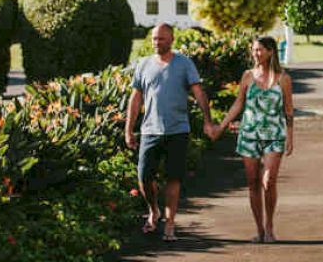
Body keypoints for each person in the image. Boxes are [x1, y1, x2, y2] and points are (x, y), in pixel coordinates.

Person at [125, 23, 216, 242]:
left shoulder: (184, 64)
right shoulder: (143, 64)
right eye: (155, 39)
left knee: (173, 178)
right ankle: (153, 210)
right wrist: (129, 129)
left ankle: (170, 224)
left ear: (171, 39)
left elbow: (198, 93)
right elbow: (135, 99)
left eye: (162, 39)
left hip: (178, 130)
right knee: (144, 176)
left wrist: (207, 121)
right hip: (149, 131)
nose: (157, 43)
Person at [214, 36, 294, 243]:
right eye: (254, 50)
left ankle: (269, 227)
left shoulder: (283, 78)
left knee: (269, 181)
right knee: (253, 183)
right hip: (249, 135)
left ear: (270, 52)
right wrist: (221, 126)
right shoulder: (248, 76)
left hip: (274, 136)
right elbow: (238, 104)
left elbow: (288, 110)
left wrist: (290, 138)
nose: (255, 54)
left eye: (259, 50)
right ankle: (259, 229)